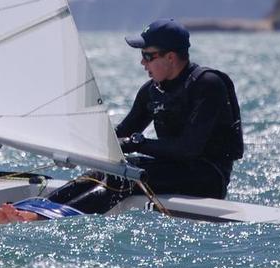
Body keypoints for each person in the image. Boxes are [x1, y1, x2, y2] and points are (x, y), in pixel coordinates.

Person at [43, 18, 244, 215]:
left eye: (148, 56)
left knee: (123, 178)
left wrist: (138, 144)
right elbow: (121, 134)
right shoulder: (152, 91)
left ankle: (44, 217)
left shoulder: (208, 85)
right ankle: (37, 208)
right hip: (173, 169)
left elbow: (187, 149)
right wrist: (82, 149)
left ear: (171, 57)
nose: (142, 63)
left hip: (207, 177)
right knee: (103, 172)